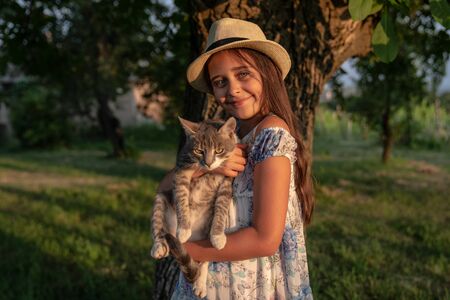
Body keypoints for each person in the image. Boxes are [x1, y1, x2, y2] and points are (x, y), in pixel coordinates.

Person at [159, 18, 314, 299]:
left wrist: (185, 251)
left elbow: (265, 240)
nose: (232, 89)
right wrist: (202, 171)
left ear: (267, 73)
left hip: (249, 282)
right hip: (213, 278)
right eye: (220, 82)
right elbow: (165, 187)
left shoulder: (270, 134)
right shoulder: (225, 134)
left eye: (243, 74)